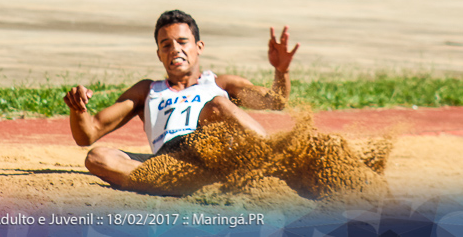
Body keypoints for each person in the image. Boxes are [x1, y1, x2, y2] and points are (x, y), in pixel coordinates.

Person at [63, 10, 300, 189]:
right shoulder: (147, 91)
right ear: (159, 54)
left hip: (213, 155)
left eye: (182, 42)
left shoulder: (220, 84)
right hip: (168, 163)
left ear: (199, 47)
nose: (174, 49)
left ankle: (273, 160)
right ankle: (187, 185)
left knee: (217, 105)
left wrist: (281, 71)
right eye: (166, 45)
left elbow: (274, 101)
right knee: (98, 157)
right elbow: (88, 134)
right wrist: (78, 109)